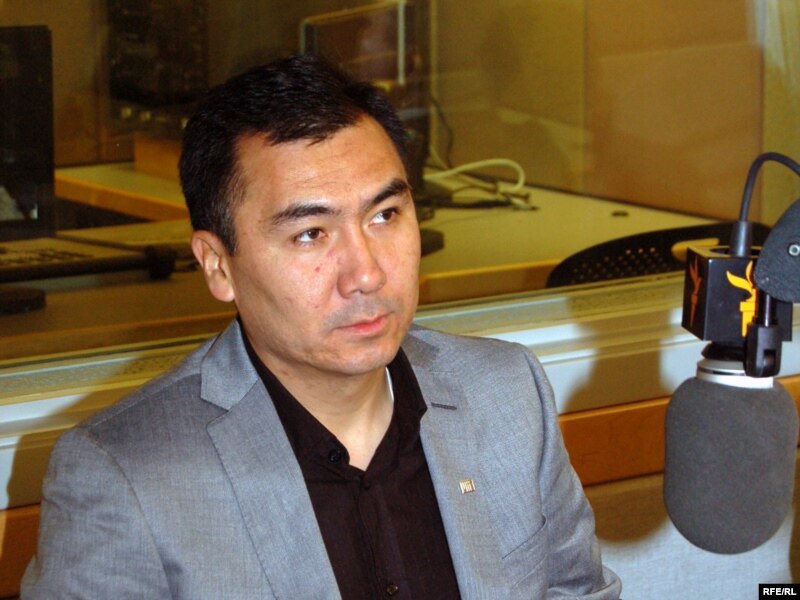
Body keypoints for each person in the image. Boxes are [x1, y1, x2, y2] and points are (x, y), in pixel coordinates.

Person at [22, 54, 621, 599]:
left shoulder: (507, 393)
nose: (366, 274)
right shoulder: (124, 478)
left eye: (385, 215)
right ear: (218, 265)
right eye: (311, 234)